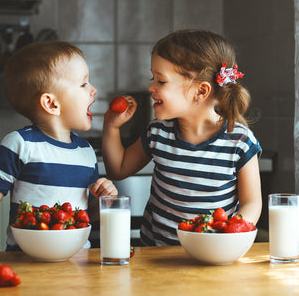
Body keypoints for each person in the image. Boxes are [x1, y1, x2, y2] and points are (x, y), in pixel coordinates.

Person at [102, 29, 262, 246]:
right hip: (156, 257)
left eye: (161, 81)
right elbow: (118, 169)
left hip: (211, 255)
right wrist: (111, 127)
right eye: (153, 78)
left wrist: (230, 236)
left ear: (201, 91)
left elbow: (252, 203)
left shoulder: (240, 142)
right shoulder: (158, 133)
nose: (151, 87)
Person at [0, 41, 118, 250]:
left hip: (78, 263)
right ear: (51, 104)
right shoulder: (20, 144)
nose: (94, 90)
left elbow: (88, 214)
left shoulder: (86, 152)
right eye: (83, 84)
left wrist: (104, 201)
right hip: (26, 263)